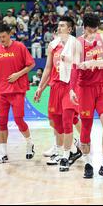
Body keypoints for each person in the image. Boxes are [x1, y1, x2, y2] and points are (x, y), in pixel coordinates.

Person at [34, 16, 82, 171]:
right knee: (55, 122)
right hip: (55, 87)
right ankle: (69, 148)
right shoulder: (53, 46)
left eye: (63, 26)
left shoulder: (76, 44)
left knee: (68, 120)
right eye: (58, 25)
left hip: (69, 86)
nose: (59, 27)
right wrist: (40, 88)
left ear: (70, 29)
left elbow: (79, 65)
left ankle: (65, 155)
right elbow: (48, 68)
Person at [70, 13, 103, 179]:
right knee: (86, 127)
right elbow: (74, 68)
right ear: (84, 28)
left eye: (95, 29)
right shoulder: (78, 43)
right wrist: (72, 89)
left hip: (102, 87)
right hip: (85, 88)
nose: (92, 32)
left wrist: (93, 63)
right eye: (89, 30)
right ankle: (88, 163)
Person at [0, 24, 36, 164]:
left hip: (17, 90)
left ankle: (29, 143)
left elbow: (31, 64)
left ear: (10, 34)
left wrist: (18, 74)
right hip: (2, 91)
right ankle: (3, 153)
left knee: (19, 120)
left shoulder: (20, 47)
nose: (2, 39)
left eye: (4, 36)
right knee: (2, 122)